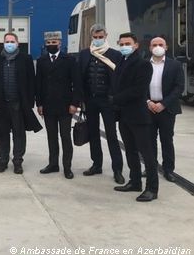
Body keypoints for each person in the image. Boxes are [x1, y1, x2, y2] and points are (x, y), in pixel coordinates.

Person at [112, 32, 157, 202]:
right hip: (123, 115)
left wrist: (114, 99)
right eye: (121, 43)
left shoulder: (143, 64)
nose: (124, 46)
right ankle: (135, 181)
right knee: (130, 151)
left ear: (136, 45)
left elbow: (138, 90)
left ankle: (152, 188)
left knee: (146, 153)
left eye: (127, 43)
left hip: (138, 115)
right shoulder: (121, 62)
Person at [78, 24, 124, 184]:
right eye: (95, 37)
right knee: (93, 133)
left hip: (108, 101)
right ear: (91, 37)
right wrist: (81, 100)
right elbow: (80, 78)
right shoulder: (85, 54)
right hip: (90, 100)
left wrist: (115, 98)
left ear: (106, 36)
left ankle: (117, 169)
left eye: (100, 37)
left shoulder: (115, 55)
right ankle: (96, 164)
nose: (98, 40)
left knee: (112, 135)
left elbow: (119, 78)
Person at [0, 33, 42, 174]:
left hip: (18, 104)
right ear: (3, 43)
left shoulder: (25, 59)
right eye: (7, 41)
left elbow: (32, 81)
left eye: (12, 41)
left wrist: (30, 102)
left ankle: (18, 161)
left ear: (18, 43)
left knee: (19, 134)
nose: (10, 44)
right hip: (1, 104)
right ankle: (3, 161)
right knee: (3, 134)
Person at [36, 31, 81, 179]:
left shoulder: (69, 60)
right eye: (48, 43)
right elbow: (39, 84)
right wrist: (39, 103)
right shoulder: (42, 61)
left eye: (54, 43)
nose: (51, 45)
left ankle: (67, 167)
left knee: (65, 137)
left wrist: (75, 103)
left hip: (65, 106)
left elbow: (77, 83)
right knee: (51, 137)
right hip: (48, 106)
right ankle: (53, 164)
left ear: (60, 43)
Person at [147, 36, 184, 183]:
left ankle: (168, 170)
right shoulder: (144, 65)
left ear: (166, 47)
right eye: (154, 44)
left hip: (167, 109)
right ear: (150, 48)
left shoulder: (175, 65)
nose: (157, 47)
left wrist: (163, 104)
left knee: (166, 140)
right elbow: (140, 85)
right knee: (149, 141)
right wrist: (148, 101)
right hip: (148, 108)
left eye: (160, 44)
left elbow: (179, 87)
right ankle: (150, 167)